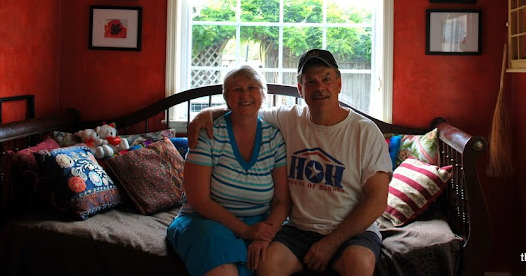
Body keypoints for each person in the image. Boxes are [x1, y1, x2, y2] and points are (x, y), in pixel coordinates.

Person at [188, 49, 393, 276]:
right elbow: (246, 109)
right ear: (300, 89)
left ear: (339, 84)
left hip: (351, 231)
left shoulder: (365, 132)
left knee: (359, 265)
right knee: (265, 264)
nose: (319, 87)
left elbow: (377, 201)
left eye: (326, 79)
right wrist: (208, 113)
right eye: (310, 82)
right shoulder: (288, 119)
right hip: (300, 228)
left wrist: (331, 243)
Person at [167, 65, 290, 276]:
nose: (245, 95)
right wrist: (246, 231)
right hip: (205, 222)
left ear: (263, 94)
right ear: (226, 97)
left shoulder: (275, 138)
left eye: (252, 88)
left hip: (260, 222)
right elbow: (200, 201)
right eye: (236, 89)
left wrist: (265, 234)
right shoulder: (208, 134)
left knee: (269, 261)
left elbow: (282, 201)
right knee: (222, 269)